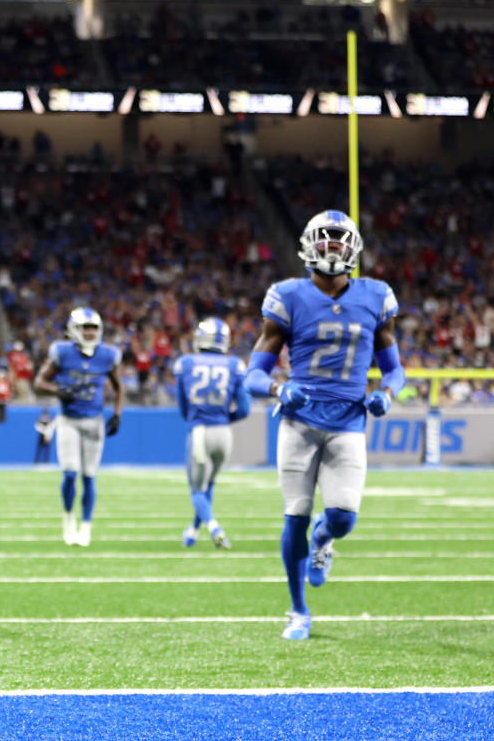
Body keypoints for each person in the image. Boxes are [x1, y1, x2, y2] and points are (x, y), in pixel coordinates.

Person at [244, 209, 404, 641]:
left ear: (353, 248)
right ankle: (298, 611)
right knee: (295, 515)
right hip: (298, 423)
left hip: (349, 423)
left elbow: (395, 370)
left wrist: (386, 395)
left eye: (339, 240)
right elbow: (253, 374)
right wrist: (279, 389)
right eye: (325, 239)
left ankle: (325, 539)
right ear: (308, 245)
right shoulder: (288, 296)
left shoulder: (375, 297)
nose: (332, 247)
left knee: (343, 517)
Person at [33, 307, 124, 547]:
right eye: (86, 328)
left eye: (94, 328)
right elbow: (39, 382)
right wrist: (58, 391)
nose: (91, 333)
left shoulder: (106, 355)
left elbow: (119, 387)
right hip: (68, 421)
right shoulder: (62, 352)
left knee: (90, 477)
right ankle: (68, 519)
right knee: (70, 474)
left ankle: (86, 526)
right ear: (75, 329)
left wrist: (117, 414)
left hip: (94, 421)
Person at [172, 317, 250, 550]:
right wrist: (225, 419)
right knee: (209, 484)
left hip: (200, 432)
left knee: (197, 489)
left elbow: (184, 409)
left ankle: (215, 528)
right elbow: (244, 409)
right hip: (224, 433)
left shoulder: (186, 363)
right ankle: (194, 531)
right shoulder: (235, 364)